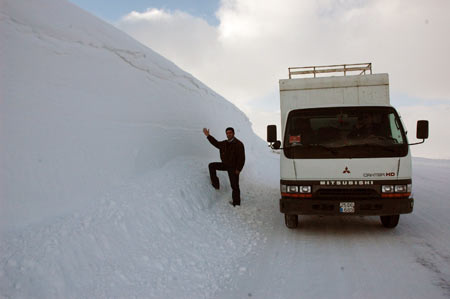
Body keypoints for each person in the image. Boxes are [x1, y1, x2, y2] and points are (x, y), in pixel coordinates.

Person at [203, 127, 245, 207]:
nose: (228, 134)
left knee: (234, 185)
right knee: (211, 165)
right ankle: (216, 185)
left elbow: (242, 158)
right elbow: (216, 143)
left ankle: (236, 203)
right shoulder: (224, 143)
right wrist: (208, 136)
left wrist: (238, 169)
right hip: (225, 165)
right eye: (227, 133)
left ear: (233, 133)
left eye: (230, 133)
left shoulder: (239, 144)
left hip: (233, 168)